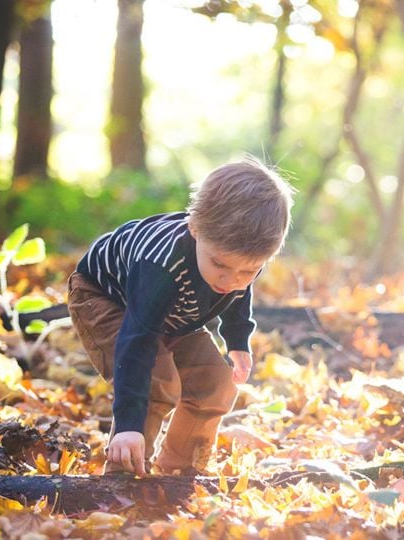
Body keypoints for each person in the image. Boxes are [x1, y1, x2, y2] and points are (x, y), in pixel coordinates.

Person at [66, 158, 294, 475]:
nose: (231, 280)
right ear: (195, 229)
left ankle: (180, 470)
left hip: (174, 313)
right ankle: (124, 475)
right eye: (220, 265)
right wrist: (129, 424)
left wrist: (237, 341)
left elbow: (240, 296)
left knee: (216, 382)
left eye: (249, 270)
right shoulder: (160, 266)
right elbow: (137, 340)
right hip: (106, 298)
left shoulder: (238, 264)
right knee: (158, 380)